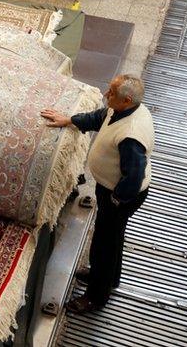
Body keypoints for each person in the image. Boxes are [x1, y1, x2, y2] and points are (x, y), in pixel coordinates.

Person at [41, 74, 154, 314]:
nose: (105, 94)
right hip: (112, 191)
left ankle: (96, 297)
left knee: (104, 243)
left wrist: (115, 200)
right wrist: (69, 120)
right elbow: (99, 118)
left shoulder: (131, 135)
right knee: (112, 239)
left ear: (127, 99)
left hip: (119, 195)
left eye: (111, 93)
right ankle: (109, 278)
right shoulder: (124, 110)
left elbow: (133, 177)